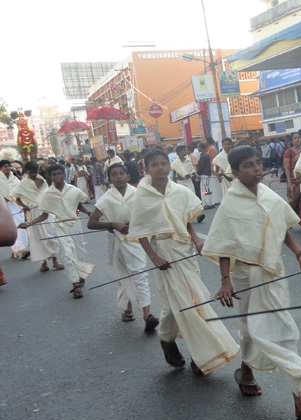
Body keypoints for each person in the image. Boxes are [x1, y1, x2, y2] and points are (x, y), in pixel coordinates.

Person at [202, 146, 301, 420]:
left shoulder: (269, 195)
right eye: (248, 165)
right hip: (245, 277)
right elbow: (224, 245)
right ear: (235, 173)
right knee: (249, 331)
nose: (257, 169)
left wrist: (299, 254)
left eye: (258, 163)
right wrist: (225, 281)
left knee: (283, 332)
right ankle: (246, 371)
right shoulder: (230, 203)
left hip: (274, 273)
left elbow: (280, 228)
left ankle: (300, 403)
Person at [127, 149, 239, 374]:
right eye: (155, 165)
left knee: (180, 302)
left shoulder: (179, 191)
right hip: (163, 254)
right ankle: (204, 356)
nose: (160, 168)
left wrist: (197, 241)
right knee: (191, 302)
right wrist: (155, 258)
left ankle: (166, 338)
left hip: (184, 250)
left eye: (163, 164)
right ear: (146, 168)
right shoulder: (141, 195)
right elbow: (140, 232)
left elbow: (185, 222)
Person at [87, 162, 157, 329]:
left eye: (121, 174)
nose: (118, 177)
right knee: (123, 275)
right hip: (116, 242)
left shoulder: (138, 193)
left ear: (128, 176)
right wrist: (112, 224)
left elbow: (149, 214)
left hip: (136, 240)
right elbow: (91, 223)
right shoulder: (106, 198)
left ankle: (147, 315)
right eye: (114, 174)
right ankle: (127, 309)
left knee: (140, 274)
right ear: (109, 179)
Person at [19, 164, 94, 298]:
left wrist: (89, 213)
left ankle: (80, 274)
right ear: (50, 177)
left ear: (64, 175)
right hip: (59, 225)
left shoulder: (73, 190)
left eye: (59, 174)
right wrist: (29, 223)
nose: (57, 176)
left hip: (75, 224)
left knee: (79, 253)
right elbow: (44, 215)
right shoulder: (48, 195)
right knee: (67, 254)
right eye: (54, 175)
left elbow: (79, 205)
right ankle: (75, 284)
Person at [12, 161, 61, 272]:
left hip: (47, 211)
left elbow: (47, 194)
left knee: (51, 235)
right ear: (26, 172)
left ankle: (55, 260)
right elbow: (17, 198)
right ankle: (43, 262)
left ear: (38, 170)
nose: (33, 175)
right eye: (30, 173)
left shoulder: (43, 180)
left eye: (34, 172)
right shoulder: (23, 183)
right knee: (37, 238)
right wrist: (24, 206)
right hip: (33, 213)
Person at [283, 132, 301, 230]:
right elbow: (287, 167)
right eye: (295, 138)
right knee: (293, 202)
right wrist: (289, 180)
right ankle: (288, 220)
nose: (297, 139)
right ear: (291, 141)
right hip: (293, 180)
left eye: (299, 137)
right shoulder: (289, 152)